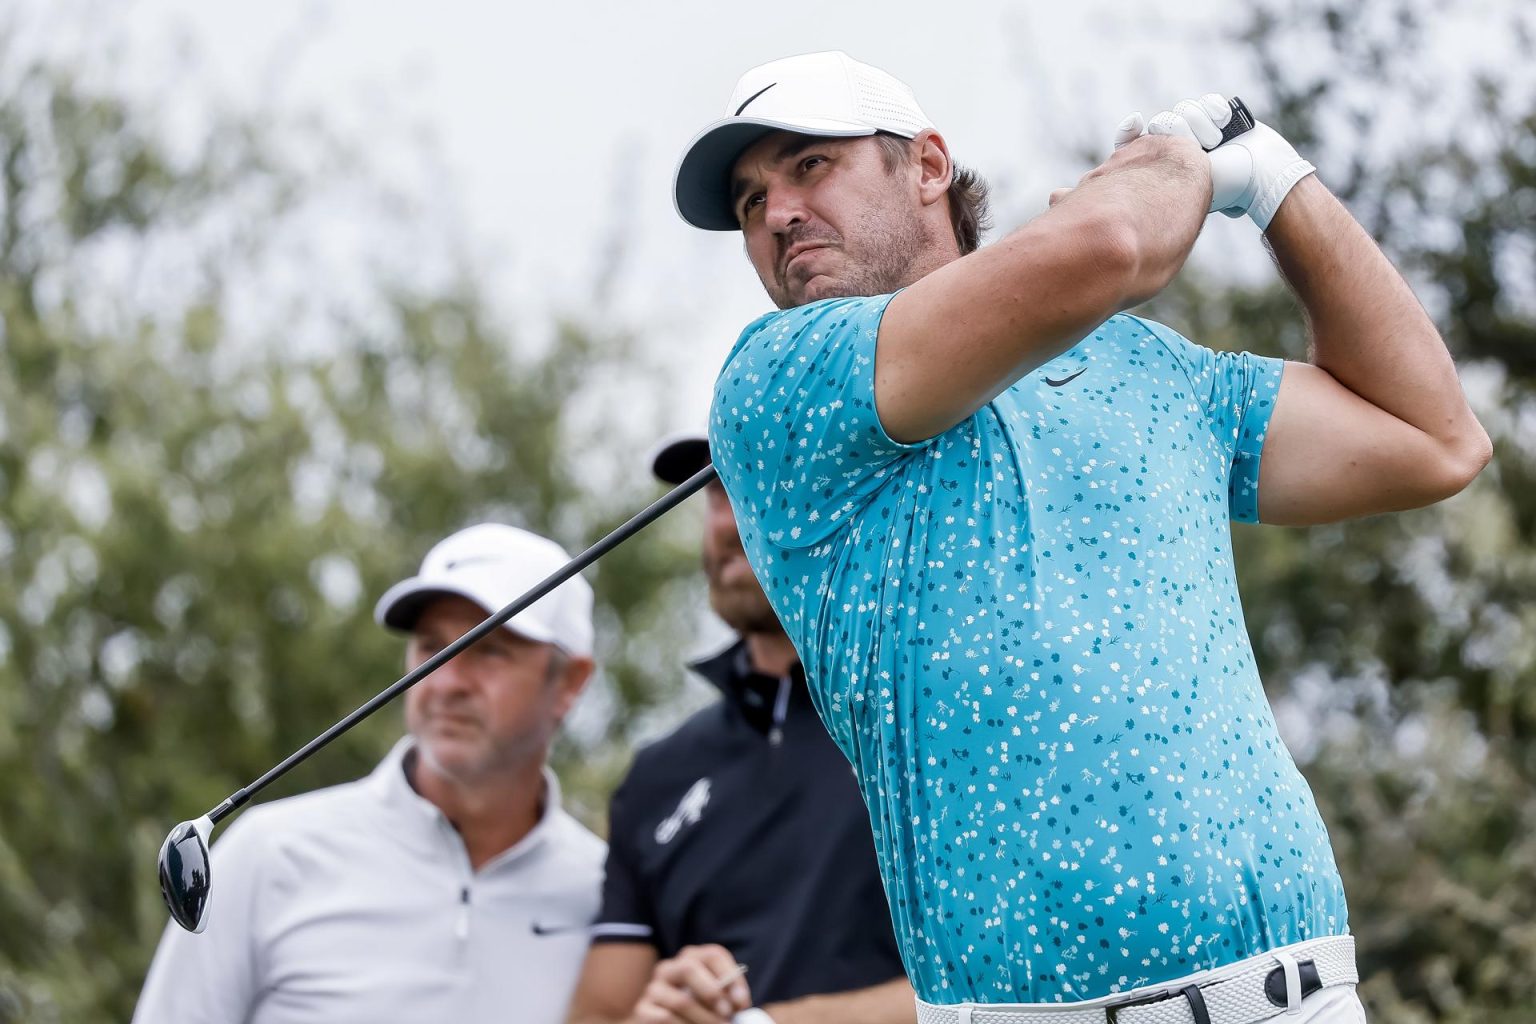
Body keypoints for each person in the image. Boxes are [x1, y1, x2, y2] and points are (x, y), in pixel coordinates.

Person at [674, 51, 1491, 1022]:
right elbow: (1107, 242)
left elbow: (1436, 437)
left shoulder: (1148, 365)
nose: (775, 213)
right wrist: (1177, 165)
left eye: (809, 166)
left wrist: (1272, 179)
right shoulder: (777, 384)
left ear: (928, 167)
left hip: (1300, 997)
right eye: (750, 199)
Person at [134, 523, 606, 1024]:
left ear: (570, 683)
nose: (447, 681)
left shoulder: (610, 892)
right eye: (431, 646)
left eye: (490, 650)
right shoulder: (267, 856)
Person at [565, 433, 913, 1024]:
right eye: (713, 493)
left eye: (753, 484)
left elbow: (1035, 986)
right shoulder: (657, 776)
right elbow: (598, 1016)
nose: (726, 524)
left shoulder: (939, 718)